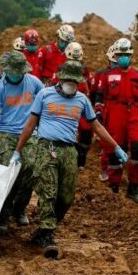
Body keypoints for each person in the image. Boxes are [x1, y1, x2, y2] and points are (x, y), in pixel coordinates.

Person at [13, 61, 129, 258]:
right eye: (68, 80)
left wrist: (115, 147)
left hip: (69, 150)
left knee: (66, 197)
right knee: (48, 191)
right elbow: (31, 124)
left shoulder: (82, 100)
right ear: (60, 79)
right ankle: (47, 233)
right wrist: (18, 150)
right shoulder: (44, 95)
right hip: (47, 147)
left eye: (75, 82)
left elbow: (96, 126)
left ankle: (44, 231)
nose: (71, 84)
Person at [0, 51, 44, 229]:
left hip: (29, 133)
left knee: (31, 168)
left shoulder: (34, 83)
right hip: (6, 133)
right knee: (7, 174)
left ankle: (19, 208)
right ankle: (3, 212)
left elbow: (45, 103)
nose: (17, 75)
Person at [94, 38, 138, 203]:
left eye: (126, 55)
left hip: (134, 114)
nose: (123, 58)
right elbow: (99, 97)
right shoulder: (107, 76)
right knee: (115, 150)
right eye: (120, 55)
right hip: (115, 113)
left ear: (131, 56)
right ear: (116, 56)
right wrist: (99, 114)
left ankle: (134, 187)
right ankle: (114, 186)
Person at [92, 44, 117, 182]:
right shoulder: (102, 74)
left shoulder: (126, 75)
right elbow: (94, 93)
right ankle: (105, 168)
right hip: (104, 109)